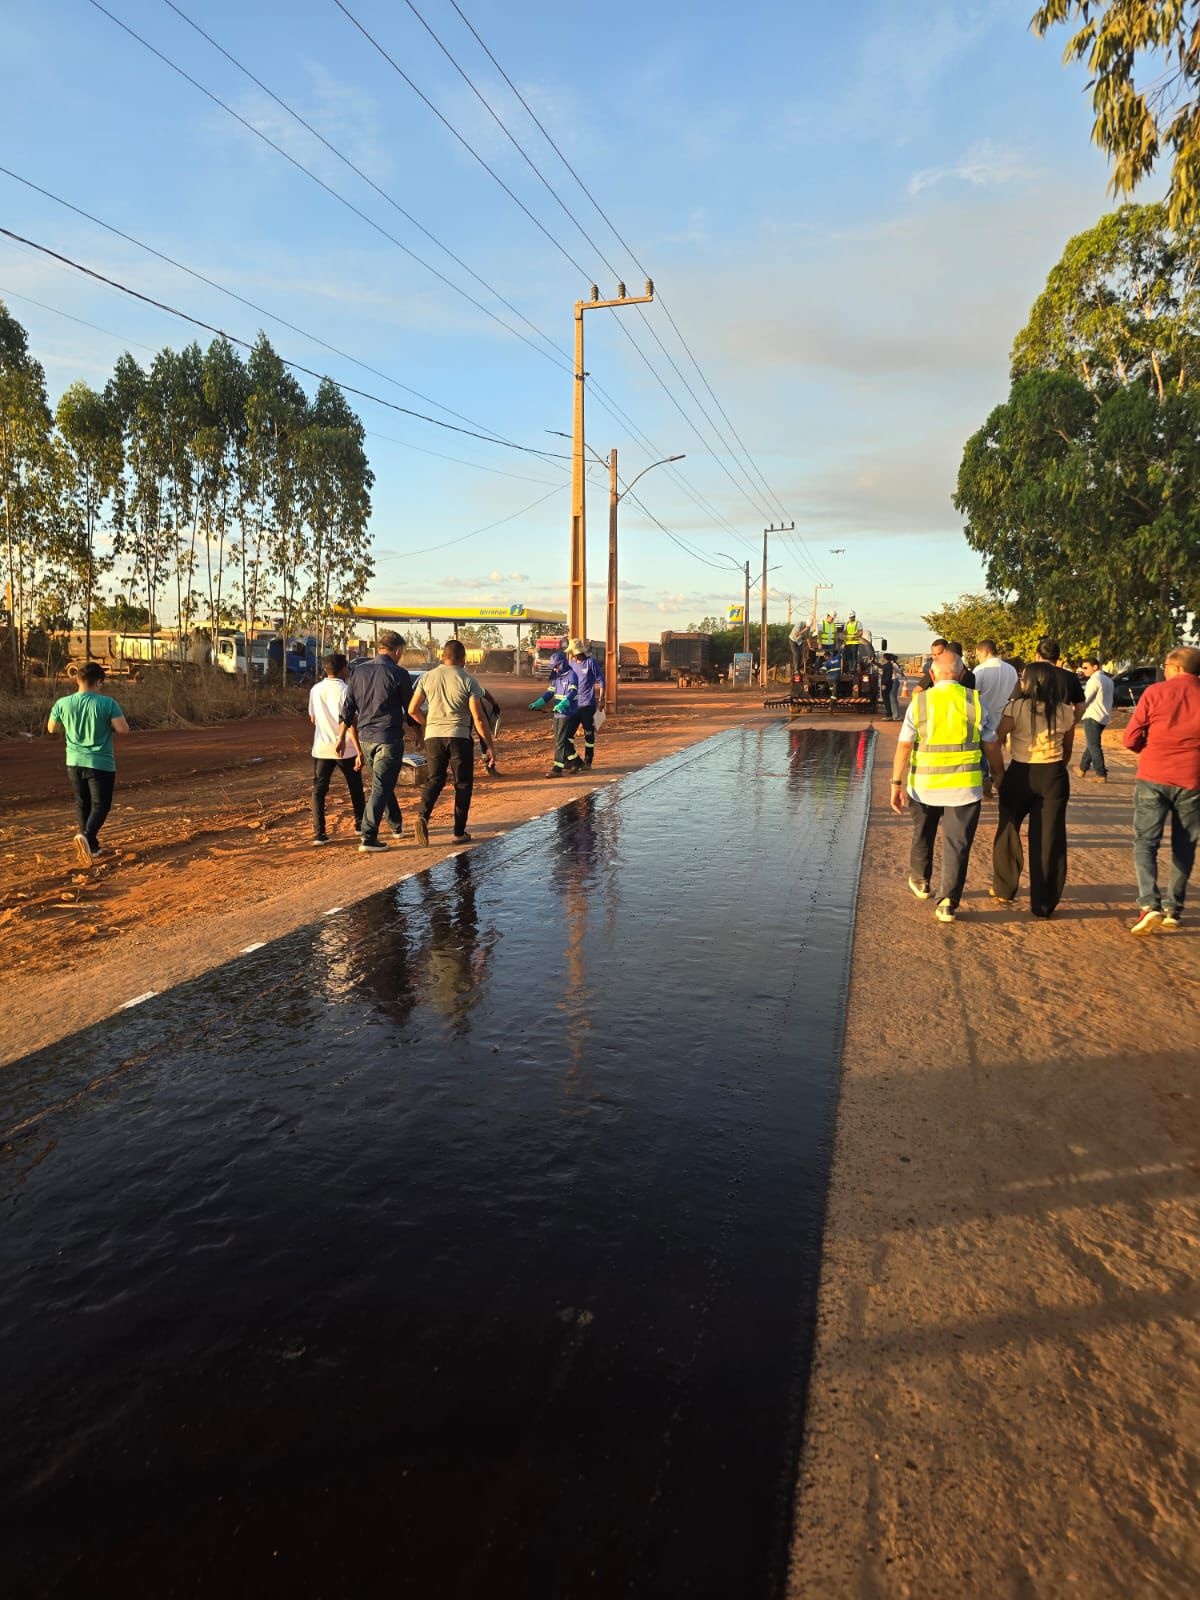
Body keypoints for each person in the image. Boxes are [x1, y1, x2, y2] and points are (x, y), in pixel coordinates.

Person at [891, 652, 1003, 923]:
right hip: (964, 788)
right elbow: (991, 744)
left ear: (931, 674)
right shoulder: (976, 702)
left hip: (924, 785)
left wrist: (896, 782)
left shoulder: (920, 702)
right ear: (962, 674)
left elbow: (905, 745)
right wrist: (999, 775)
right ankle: (947, 902)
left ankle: (921, 881)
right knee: (957, 844)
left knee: (923, 832)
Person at [1123, 646, 1200, 934]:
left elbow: (1130, 738)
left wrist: (1148, 748)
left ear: (1177, 668)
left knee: (1145, 842)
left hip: (1153, 775)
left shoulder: (1155, 693)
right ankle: (1173, 909)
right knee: (1185, 845)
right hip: (1192, 779)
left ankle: (1149, 904)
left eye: (1165, 666)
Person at [991, 663, 1076, 918]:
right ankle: (1043, 903)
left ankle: (1004, 888)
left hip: (1021, 772)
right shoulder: (1065, 710)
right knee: (1049, 839)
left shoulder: (1015, 707)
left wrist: (999, 773)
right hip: (1053, 774)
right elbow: (1068, 748)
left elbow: (996, 739)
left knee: (1008, 829)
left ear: (1030, 682)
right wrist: (1058, 767)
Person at [406, 639, 496, 847]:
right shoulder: (468, 680)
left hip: (433, 736)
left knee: (434, 780)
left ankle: (422, 816)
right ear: (463, 659)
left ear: (442, 656)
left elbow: (412, 710)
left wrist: (429, 724)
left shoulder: (427, 677)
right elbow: (478, 717)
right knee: (462, 784)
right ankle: (458, 833)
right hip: (459, 736)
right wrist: (489, 746)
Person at [337, 629, 413, 853]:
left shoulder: (359, 671)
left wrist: (341, 737)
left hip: (365, 739)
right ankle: (368, 836)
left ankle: (396, 825)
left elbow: (347, 709)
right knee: (381, 785)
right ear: (397, 651)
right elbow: (410, 709)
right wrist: (419, 732)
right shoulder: (399, 673)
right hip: (388, 738)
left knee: (382, 783)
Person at [47, 661, 130, 864]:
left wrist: (70, 728)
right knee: (101, 805)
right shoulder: (107, 703)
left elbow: (52, 728)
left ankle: (91, 847)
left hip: (73, 761)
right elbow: (123, 729)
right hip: (100, 762)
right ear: (99, 682)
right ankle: (86, 836)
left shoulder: (62, 703)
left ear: (77, 679)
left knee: (82, 803)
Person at [309, 652, 365, 845]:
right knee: (355, 787)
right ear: (343, 669)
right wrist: (359, 750)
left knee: (319, 790)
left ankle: (319, 833)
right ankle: (360, 826)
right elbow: (351, 722)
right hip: (346, 747)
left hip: (322, 747)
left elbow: (312, 718)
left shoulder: (315, 689)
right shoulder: (346, 690)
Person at [973, 638, 1019, 798]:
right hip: (1004, 720)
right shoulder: (1011, 670)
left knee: (983, 758)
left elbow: (972, 695)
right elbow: (1016, 695)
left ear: (985, 652)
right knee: (996, 759)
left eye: (978, 654)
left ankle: (991, 786)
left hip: (985, 722)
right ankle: (999, 788)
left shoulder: (980, 670)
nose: (977, 658)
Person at [529, 650, 579, 776]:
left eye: (556, 666)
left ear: (562, 664)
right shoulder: (556, 677)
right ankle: (574, 762)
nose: (555, 669)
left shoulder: (572, 675)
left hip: (567, 712)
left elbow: (573, 692)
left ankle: (557, 768)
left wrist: (564, 703)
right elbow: (549, 693)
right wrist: (538, 703)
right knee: (560, 738)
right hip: (558, 712)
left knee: (560, 740)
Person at [567, 637, 605, 768]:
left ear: (577, 652)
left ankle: (588, 761)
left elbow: (601, 680)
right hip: (574, 705)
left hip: (588, 705)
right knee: (568, 734)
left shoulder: (590, 662)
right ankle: (574, 761)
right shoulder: (571, 663)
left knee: (588, 734)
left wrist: (601, 699)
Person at [1078, 657, 1114, 780]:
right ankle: (1082, 768)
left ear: (1095, 667)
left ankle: (1101, 774)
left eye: (1086, 667)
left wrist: (1075, 710)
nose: (1083, 670)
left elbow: (1085, 700)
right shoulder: (1108, 680)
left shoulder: (1094, 680)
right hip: (1104, 716)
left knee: (1094, 746)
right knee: (1092, 744)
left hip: (1093, 715)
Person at [1035, 637, 1085, 721]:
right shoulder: (1071, 677)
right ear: (1058, 656)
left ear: (1038, 656)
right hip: (1061, 724)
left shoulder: (1031, 675)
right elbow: (1081, 706)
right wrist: (1071, 723)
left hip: (1035, 724)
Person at [878, 652, 897, 720]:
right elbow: (881, 666)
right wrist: (873, 661)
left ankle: (889, 715)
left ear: (885, 658)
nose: (882, 658)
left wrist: (884, 684)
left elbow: (888, 676)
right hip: (887, 684)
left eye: (882, 657)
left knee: (886, 700)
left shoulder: (888, 666)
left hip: (887, 684)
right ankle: (889, 714)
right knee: (886, 699)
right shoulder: (887, 665)